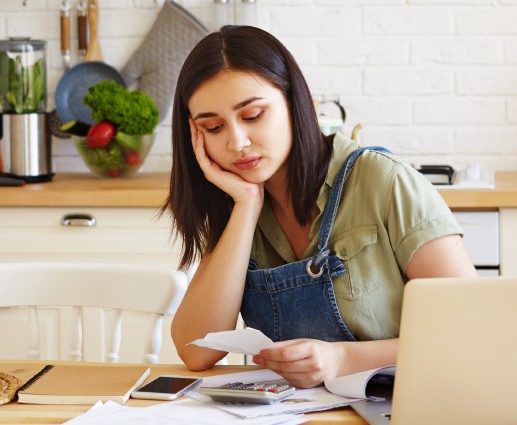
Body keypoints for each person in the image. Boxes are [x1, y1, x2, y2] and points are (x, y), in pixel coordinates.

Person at [163, 25, 478, 388]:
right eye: (214, 127)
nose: (237, 142)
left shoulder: (383, 181)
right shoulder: (239, 206)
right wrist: (247, 206)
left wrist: (341, 359)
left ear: (294, 102)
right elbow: (195, 351)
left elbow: (470, 331)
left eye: (252, 116)